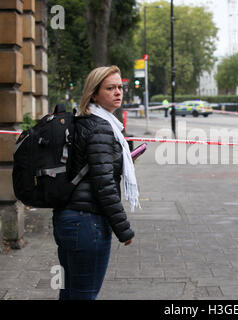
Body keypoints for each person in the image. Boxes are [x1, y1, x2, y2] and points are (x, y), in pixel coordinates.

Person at [52, 65, 139, 300]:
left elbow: (95, 170)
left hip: (68, 220)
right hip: (87, 223)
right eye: (110, 88)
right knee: (83, 296)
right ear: (93, 93)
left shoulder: (85, 121)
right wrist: (123, 229)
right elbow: (104, 186)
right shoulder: (101, 127)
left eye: (120, 87)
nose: (118, 92)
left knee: (69, 293)